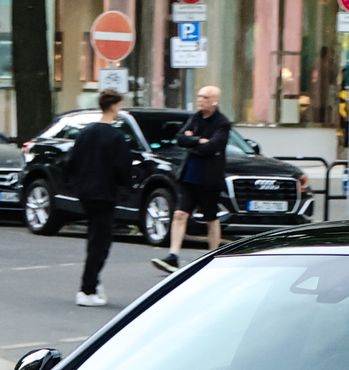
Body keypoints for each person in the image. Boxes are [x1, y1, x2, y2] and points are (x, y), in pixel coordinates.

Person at [60, 88, 137, 307]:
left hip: (86, 192)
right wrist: (128, 186)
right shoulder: (116, 136)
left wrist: (72, 184)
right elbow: (122, 167)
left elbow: (71, 161)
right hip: (105, 193)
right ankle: (87, 288)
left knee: (95, 238)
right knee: (100, 241)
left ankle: (93, 281)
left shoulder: (85, 132)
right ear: (114, 106)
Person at [153, 83, 232, 273]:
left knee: (211, 218)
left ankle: (214, 256)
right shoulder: (195, 118)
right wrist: (198, 140)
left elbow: (214, 146)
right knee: (180, 214)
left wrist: (195, 141)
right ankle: (173, 256)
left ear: (214, 101)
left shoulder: (222, 123)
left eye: (204, 97)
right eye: (199, 96)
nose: (200, 100)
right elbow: (181, 138)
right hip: (190, 176)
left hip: (209, 178)